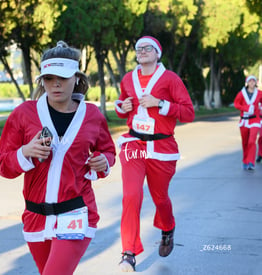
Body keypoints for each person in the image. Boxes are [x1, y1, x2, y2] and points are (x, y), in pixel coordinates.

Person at [0, 41, 116, 275]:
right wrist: (25, 152)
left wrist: (104, 162)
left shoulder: (92, 115)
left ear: (76, 78)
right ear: (42, 80)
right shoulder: (24, 114)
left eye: (62, 77)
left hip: (76, 213)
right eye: (49, 78)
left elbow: (108, 151)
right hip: (35, 216)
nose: (56, 83)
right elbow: (3, 165)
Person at [114, 36, 195, 272]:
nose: (142, 51)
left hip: (162, 148)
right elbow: (120, 105)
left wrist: (161, 103)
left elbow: (188, 113)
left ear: (158, 53)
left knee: (160, 198)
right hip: (134, 144)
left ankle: (167, 227)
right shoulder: (128, 78)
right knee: (131, 196)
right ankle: (128, 252)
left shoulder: (170, 78)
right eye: (138, 48)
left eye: (148, 48)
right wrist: (123, 106)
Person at [233, 75, 262, 170]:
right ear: (247, 83)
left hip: (255, 120)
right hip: (244, 121)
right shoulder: (241, 94)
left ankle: (251, 162)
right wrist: (245, 108)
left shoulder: (259, 93)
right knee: (245, 142)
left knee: (251, 141)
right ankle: (245, 160)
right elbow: (236, 104)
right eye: (250, 81)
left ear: (256, 83)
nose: (252, 83)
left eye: (254, 81)